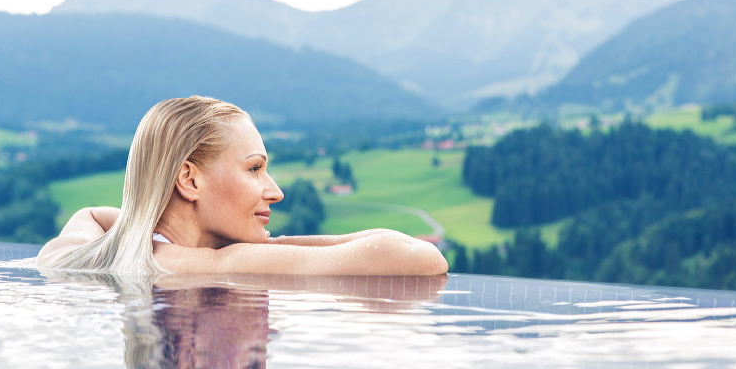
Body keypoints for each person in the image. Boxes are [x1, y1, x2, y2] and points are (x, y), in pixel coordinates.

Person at [37, 96, 449, 276]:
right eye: (254, 169)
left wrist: (142, 226)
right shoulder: (219, 265)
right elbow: (422, 258)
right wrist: (265, 249)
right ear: (189, 179)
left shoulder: (74, 253)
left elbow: (91, 214)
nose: (275, 191)